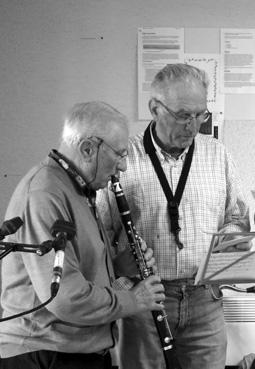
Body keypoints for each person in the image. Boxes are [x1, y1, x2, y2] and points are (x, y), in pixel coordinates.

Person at [97, 64, 251, 369]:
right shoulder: (122, 155)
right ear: (155, 108)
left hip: (205, 298)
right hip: (144, 300)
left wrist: (230, 247)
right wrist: (121, 271)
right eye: (183, 115)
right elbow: (98, 232)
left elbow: (239, 217)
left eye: (200, 115)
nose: (192, 126)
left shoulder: (217, 154)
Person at [0, 101, 165, 369]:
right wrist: (134, 300)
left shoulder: (78, 189)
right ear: (88, 148)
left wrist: (120, 267)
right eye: (119, 154)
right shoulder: (46, 193)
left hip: (72, 352)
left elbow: (80, 269)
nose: (123, 166)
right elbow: (65, 297)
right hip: (46, 354)